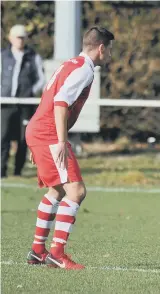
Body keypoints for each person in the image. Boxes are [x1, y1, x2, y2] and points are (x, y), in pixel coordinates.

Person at [25, 27, 115, 270]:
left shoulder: (70, 64)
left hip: (39, 130)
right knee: (76, 191)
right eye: (110, 50)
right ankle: (57, 253)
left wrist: (36, 137)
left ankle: (37, 250)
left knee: (57, 190)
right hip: (48, 133)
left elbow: (50, 98)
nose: (110, 56)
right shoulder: (84, 70)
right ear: (101, 48)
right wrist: (61, 141)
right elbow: (61, 102)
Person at [1, 24, 46, 178]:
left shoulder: (33, 57)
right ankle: (1, 170)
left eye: (22, 37)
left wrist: (31, 92)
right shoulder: (3, 56)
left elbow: (41, 79)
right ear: (10, 38)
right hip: (5, 103)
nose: (20, 40)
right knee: (3, 137)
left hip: (26, 104)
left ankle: (17, 171)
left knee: (23, 139)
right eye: (17, 37)